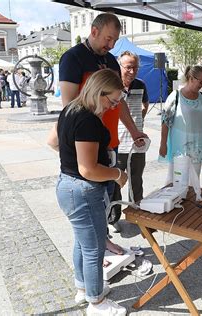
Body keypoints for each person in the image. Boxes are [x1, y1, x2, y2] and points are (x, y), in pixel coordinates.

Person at [59, 12, 147, 256]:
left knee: (106, 196)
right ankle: (96, 246)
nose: (110, 46)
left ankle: (103, 239)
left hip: (110, 142)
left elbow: (120, 101)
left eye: (114, 41)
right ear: (94, 31)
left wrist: (134, 130)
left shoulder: (110, 60)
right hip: (87, 142)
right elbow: (69, 107)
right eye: (108, 39)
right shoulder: (73, 58)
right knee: (91, 199)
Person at [47, 69, 128, 315]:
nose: (113, 106)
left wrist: (70, 158)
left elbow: (52, 142)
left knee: (83, 243)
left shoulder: (71, 108)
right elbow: (89, 170)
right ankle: (97, 302)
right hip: (82, 190)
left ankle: (83, 288)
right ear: (98, 91)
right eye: (112, 100)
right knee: (93, 247)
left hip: (68, 185)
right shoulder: (88, 120)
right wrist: (117, 175)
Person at [110, 51, 150, 232]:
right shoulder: (113, 86)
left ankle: (136, 215)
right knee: (116, 183)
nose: (132, 71)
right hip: (118, 143)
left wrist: (138, 121)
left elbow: (145, 105)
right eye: (128, 67)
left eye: (135, 67)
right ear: (120, 66)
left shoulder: (141, 85)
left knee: (136, 182)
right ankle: (114, 218)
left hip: (137, 144)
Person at [159, 65, 202, 183]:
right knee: (176, 179)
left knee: (194, 180)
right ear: (191, 78)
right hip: (180, 146)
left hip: (197, 147)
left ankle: (191, 200)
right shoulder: (175, 96)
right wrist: (163, 144)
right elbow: (165, 121)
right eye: (201, 81)